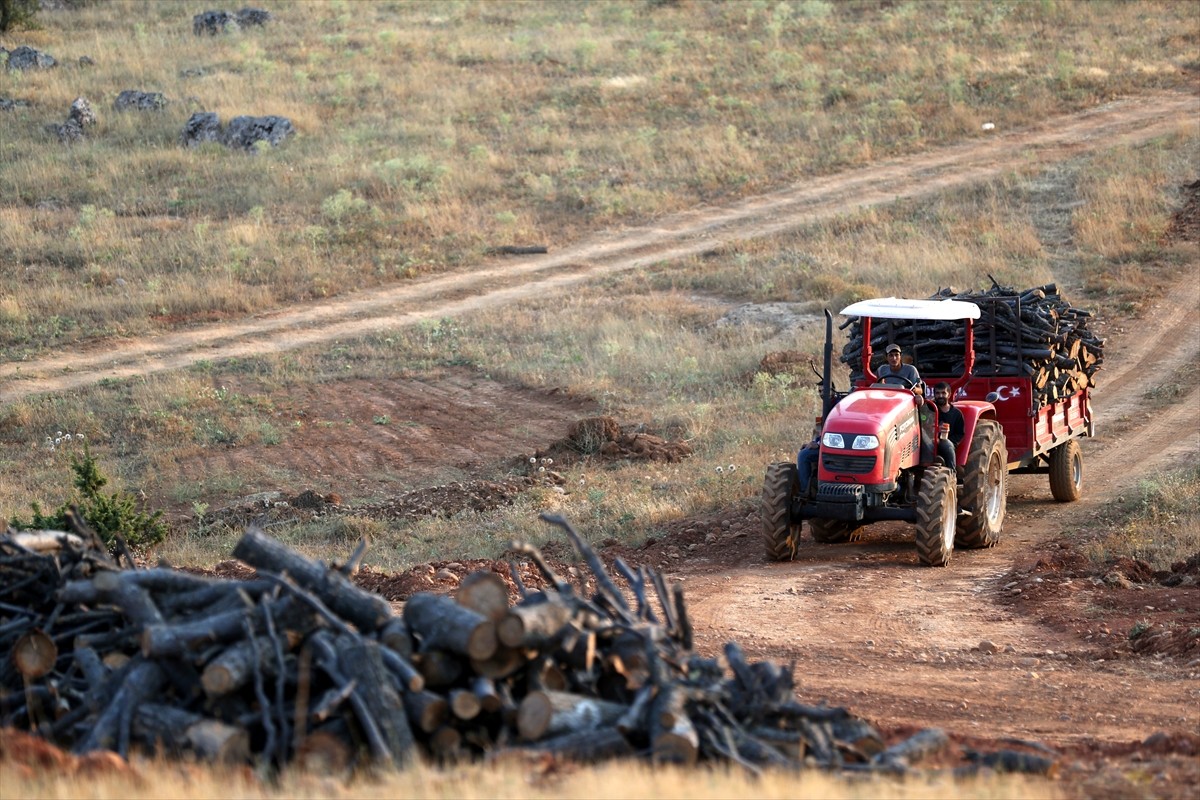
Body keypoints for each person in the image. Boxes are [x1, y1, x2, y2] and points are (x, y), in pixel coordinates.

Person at [932, 381, 965, 471]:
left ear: (949, 394)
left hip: (947, 441)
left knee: (947, 444)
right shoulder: (929, 408)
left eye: (943, 393)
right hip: (929, 440)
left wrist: (945, 440)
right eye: (937, 393)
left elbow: (960, 434)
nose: (940, 396)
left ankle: (952, 472)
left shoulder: (956, 413)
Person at [796, 422, 822, 497]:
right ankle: (805, 491)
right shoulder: (831, 413)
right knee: (804, 455)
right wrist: (816, 443)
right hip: (826, 448)